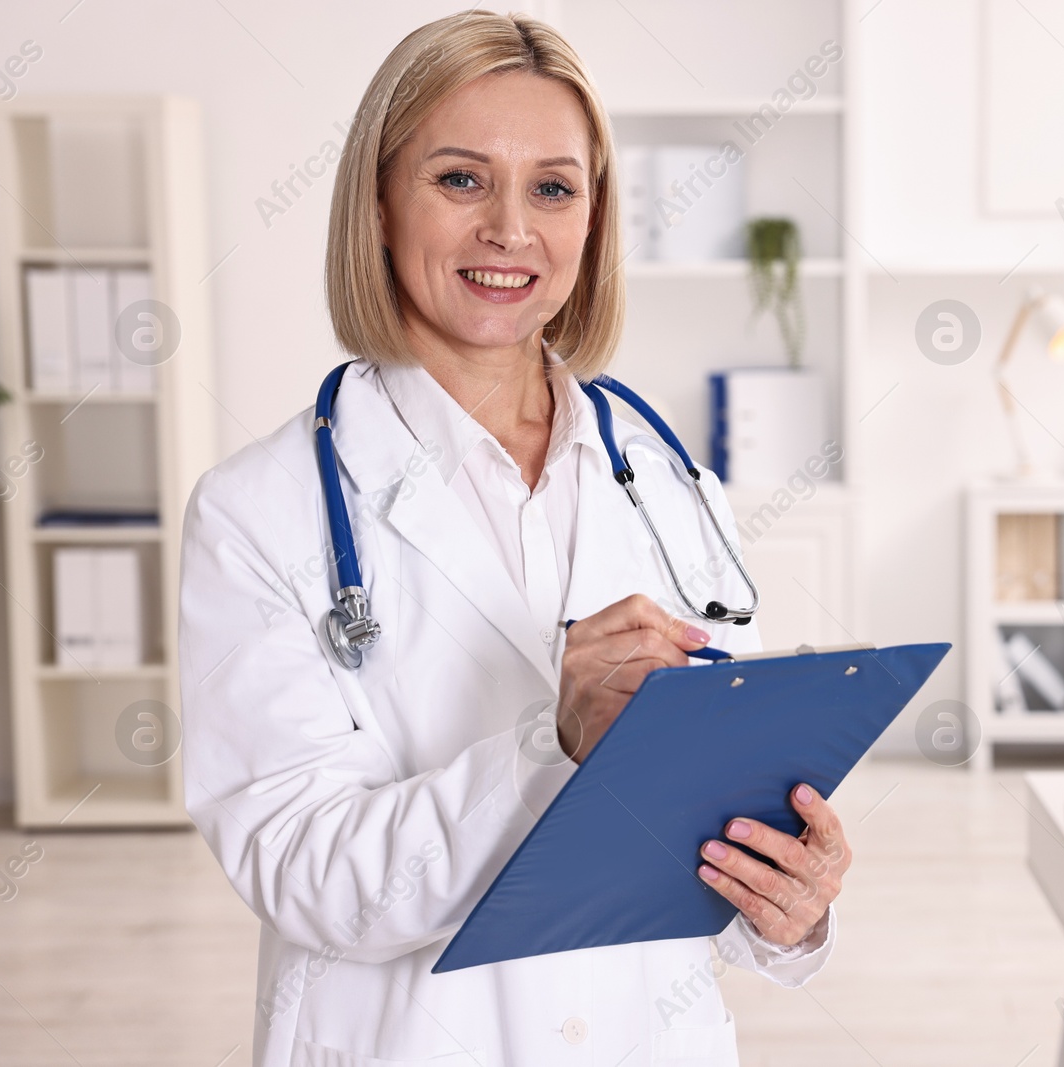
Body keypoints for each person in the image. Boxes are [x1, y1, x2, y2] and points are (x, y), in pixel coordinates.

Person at [178, 11, 849, 1066]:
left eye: (552, 186)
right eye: (459, 179)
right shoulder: (259, 510)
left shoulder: (671, 484)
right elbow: (301, 870)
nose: (510, 229)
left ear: (593, 219)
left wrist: (789, 904)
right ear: (379, 204)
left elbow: (719, 806)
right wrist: (553, 744)